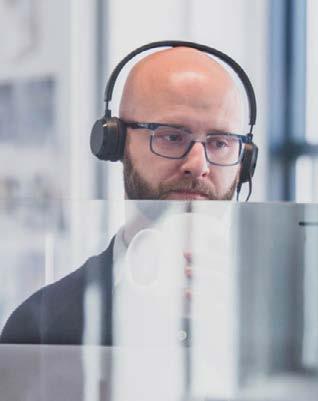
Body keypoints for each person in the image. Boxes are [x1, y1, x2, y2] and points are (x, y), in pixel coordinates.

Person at [0, 41, 258, 345]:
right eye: (172, 137)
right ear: (116, 143)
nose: (198, 165)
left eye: (220, 143)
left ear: (245, 161)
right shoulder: (40, 325)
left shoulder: (287, 315)